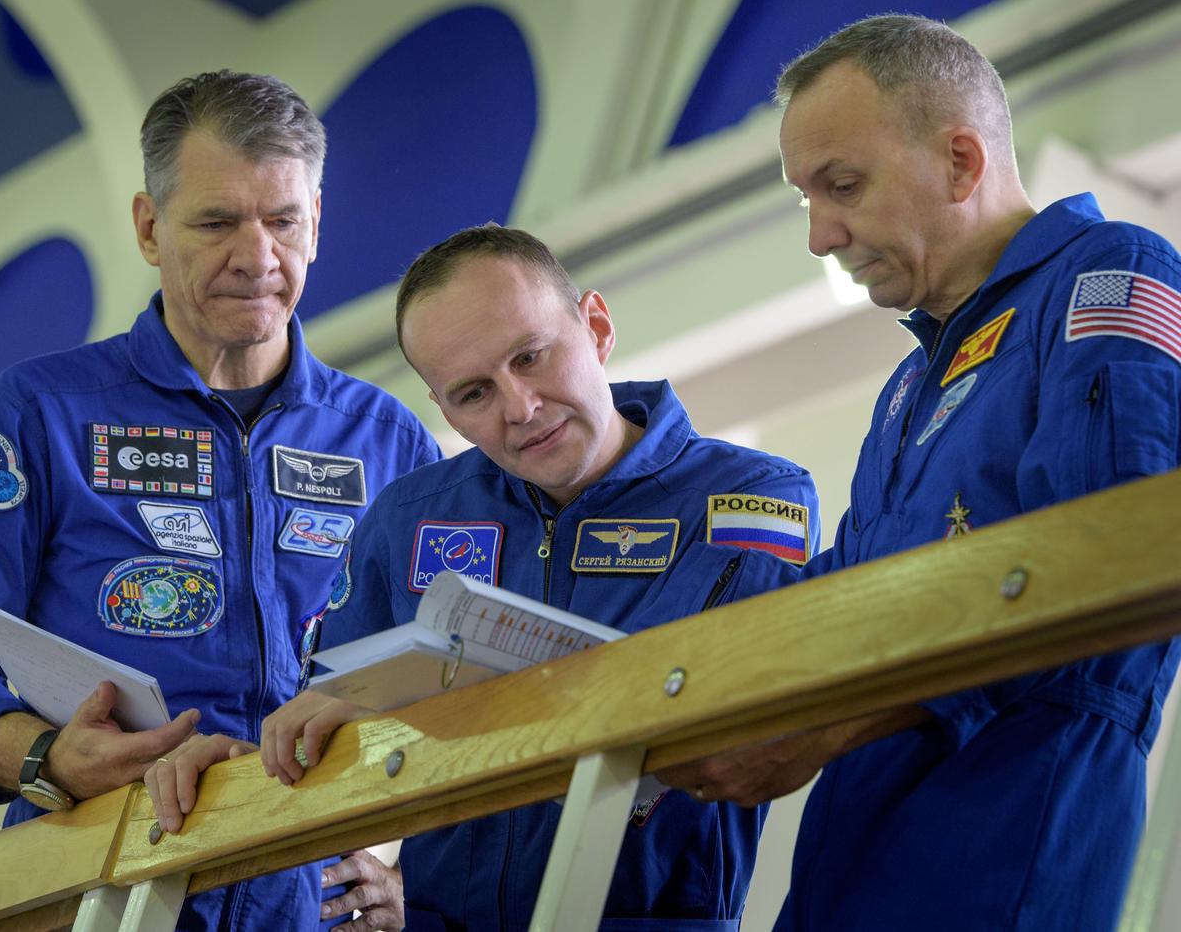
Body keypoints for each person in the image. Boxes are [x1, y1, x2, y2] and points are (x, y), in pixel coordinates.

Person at [659, 14, 1181, 930]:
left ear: (962, 163)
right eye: (805, 199)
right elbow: (846, 593)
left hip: (1008, 837)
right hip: (849, 857)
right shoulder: (909, 384)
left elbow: (1110, 564)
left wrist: (828, 725)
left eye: (844, 185)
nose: (821, 235)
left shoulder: (1107, 275)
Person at [153, 224, 821, 930]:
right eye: (474, 392)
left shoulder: (749, 495)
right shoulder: (406, 516)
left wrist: (417, 712)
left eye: (531, 356)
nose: (519, 407)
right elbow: (331, 727)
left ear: (595, 326)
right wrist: (249, 766)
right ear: (444, 411)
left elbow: (696, 703)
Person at [0, 70, 440, 930]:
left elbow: (451, 678)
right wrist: (44, 756)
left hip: (311, 904)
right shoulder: (38, 416)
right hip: (95, 886)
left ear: (317, 225)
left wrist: (419, 885)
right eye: (218, 221)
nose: (257, 257)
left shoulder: (390, 442)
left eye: (284, 221)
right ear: (151, 228)